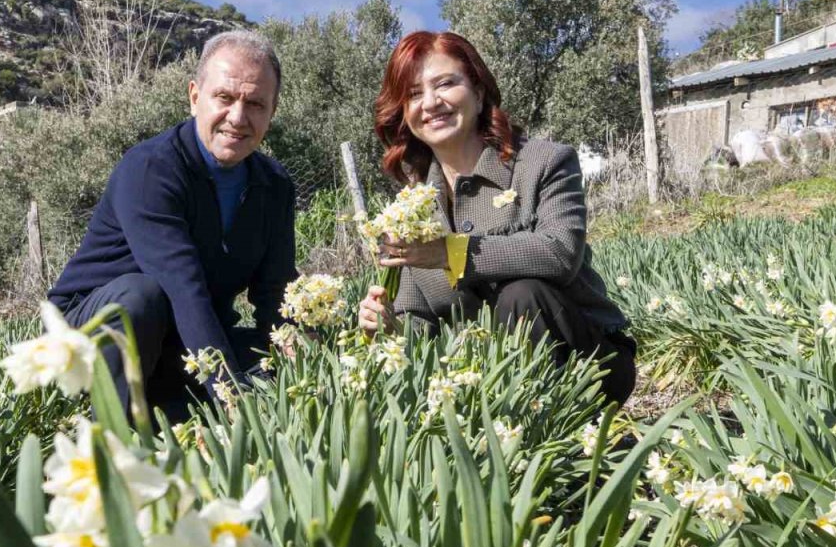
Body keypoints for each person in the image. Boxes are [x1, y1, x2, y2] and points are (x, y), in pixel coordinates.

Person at [356, 31, 636, 406]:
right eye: (413, 94)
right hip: (482, 381)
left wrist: (449, 252)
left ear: (479, 90)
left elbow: (561, 253)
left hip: (588, 361)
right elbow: (418, 322)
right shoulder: (413, 208)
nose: (430, 103)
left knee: (523, 294)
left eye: (445, 84)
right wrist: (389, 327)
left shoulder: (543, 162)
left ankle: (550, 435)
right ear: (404, 114)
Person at [47, 30, 296, 419]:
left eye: (256, 104)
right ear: (195, 96)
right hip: (95, 331)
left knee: (278, 363)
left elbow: (276, 292)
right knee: (140, 298)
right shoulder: (152, 169)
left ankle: (171, 413)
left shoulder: (274, 185)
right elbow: (183, 289)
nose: (238, 117)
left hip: (183, 338)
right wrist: (230, 396)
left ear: (272, 111)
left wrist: (301, 357)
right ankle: (110, 436)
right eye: (225, 98)